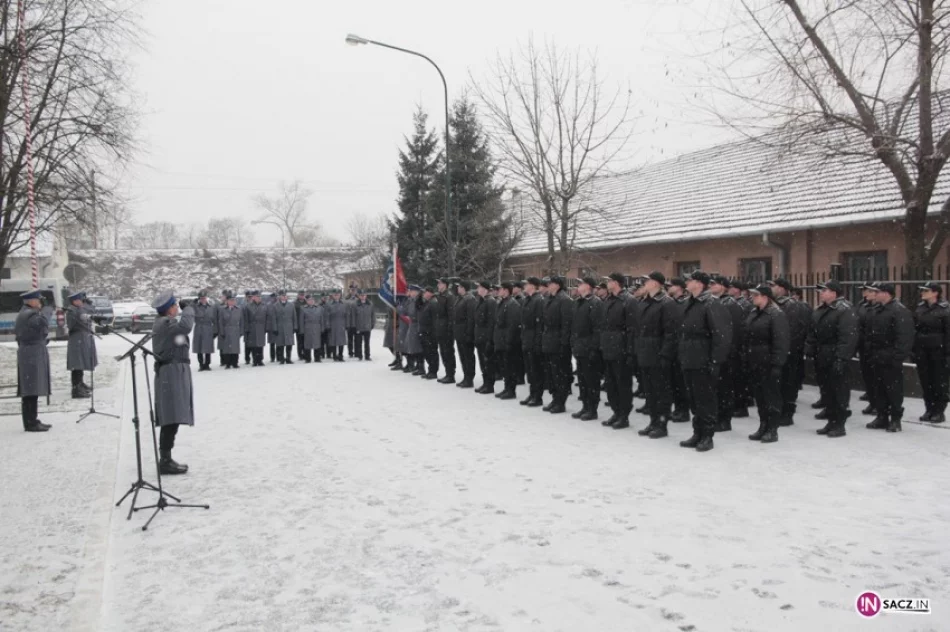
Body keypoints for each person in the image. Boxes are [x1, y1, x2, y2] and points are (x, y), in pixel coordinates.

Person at [677, 270, 732, 452]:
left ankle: (707, 435)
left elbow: (721, 336)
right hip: (689, 358)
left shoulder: (711, 304)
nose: (686, 283)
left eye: (690, 280)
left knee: (705, 399)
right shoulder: (689, 302)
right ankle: (697, 432)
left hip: (703, 359)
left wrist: (715, 361)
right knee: (694, 399)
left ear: (699, 284)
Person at [805, 280, 858, 437]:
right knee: (827, 391)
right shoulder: (821, 309)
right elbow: (813, 331)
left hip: (835, 355)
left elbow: (847, 337)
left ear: (834, 293)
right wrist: (810, 347)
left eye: (824, 290)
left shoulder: (844, 310)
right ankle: (831, 421)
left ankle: (839, 424)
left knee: (839, 391)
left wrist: (841, 358)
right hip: (822, 355)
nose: (821, 293)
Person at [151, 291, 193, 475]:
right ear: (168, 310)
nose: (177, 308)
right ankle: (165, 460)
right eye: (175, 306)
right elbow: (186, 327)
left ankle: (166, 458)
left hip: (174, 371)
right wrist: (189, 309)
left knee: (173, 417)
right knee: (170, 417)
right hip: (171, 373)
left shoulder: (167, 323)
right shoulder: (166, 323)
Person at [864, 282, 915, 432]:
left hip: (890, 357)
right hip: (877, 356)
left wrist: (896, 357)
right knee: (879, 388)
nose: (874, 294)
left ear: (886, 294)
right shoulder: (877, 310)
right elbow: (870, 333)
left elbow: (904, 337)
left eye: (877, 292)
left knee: (893, 390)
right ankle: (882, 416)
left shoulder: (899, 311)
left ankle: (895, 419)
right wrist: (870, 350)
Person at [743, 284, 790, 443]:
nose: (752, 297)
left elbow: (781, 341)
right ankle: (763, 425)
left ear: (765, 297)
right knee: (760, 397)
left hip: (768, 362)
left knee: (771, 396)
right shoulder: (754, 313)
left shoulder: (776, 314)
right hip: (755, 361)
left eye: (756, 295)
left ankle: (772, 429)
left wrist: (777, 364)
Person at [634, 271, 678, 438]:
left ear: (656, 283)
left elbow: (670, 332)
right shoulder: (644, 302)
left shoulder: (666, 303)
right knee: (650, 391)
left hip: (658, 353)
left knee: (661, 392)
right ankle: (653, 421)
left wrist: (665, 354)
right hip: (645, 353)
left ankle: (661, 424)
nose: (644, 284)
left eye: (647, 281)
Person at [769, 278, 812, 426]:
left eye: (773, 286)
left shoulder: (791, 306)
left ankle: (787, 413)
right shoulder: (774, 304)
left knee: (788, 383)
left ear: (782, 288)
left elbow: (792, 330)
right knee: (778, 383)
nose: (771, 288)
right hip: (778, 350)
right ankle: (779, 410)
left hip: (789, 351)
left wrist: (787, 349)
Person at [708, 275, 744, 432]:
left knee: (725, 388)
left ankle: (724, 419)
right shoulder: (714, 302)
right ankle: (717, 416)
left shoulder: (731, 305)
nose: (711, 286)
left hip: (728, 353)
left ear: (723, 286)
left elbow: (734, 332)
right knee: (716, 387)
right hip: (717, 351)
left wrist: (728, 351)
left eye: (714, 284)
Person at [15, 289, 52, 432]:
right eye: (38, 300)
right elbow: (43, 323)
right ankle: (30, 422)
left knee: (32, 388)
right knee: (30, 390)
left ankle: (33, 419)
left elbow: (36, 332)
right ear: (31, 301)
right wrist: (47, 310)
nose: (40, 302)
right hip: (30, 355)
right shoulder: (29, 314)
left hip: (31, 353)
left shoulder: (28, 313)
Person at [913, 281, 950, 423]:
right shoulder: (920, 308)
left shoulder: (944, 310)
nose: (922, 293)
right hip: (923, 350)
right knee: (926, 381)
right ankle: (929, 408)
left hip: (938, 351)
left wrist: (947, 353)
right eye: (922, 290)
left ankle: (939, 411)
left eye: (926, 290)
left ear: (935, 293)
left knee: (939, 382)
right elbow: (915, 328)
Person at [570, 278, 605, 420]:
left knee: (591, 381)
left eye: (581, 284)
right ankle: (585, 406)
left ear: (588, 286)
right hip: (580, 346)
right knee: (582, 380)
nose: (578, 286)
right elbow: (574, 326)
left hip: (589, 347)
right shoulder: (578, 302)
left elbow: (597, 329)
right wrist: (573, 343)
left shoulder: (595, 303)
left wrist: (594, 348)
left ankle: (592, 409)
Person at [600, 273, 630, 428]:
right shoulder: (608, 300)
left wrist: (629, 350)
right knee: (610, 384)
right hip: (608, 347)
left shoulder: (627, 300)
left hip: (621, 348)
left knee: (622, 383)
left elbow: (632, 328)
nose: (607, 283)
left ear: (617, 283)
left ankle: (623, 415)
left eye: (609, 280)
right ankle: (616, 412)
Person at [542, 276, 574, 414]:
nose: (548, 285)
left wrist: (563, 343)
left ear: (557, 285)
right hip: (549, 340)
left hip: (558, 342)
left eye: (550, 283)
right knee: (551, 374)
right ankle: (555, 399)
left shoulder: (564, 300)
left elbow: (566, 324)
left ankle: (561, 402)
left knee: (560, 374)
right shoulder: (549, 299)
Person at [665, 277, 691, 422]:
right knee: (673, 381)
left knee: (681, 383)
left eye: (672, 285)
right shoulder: (671, 303)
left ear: (679, 288)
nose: (669, 287)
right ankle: (677, 408)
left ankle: (684, 410)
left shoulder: (685, 303)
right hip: (672, 347)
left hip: (681, 347)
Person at [493, 282, 523, 400]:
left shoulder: (512, 304)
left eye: (500, 289)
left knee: (510, 367)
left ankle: (511, 390)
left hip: (508, 341)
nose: (498, 291)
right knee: (505, 367)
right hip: (501, 339)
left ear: (506, 290)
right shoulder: (503, 302)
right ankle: (507, 388)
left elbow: (513, 325)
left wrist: (509, 341)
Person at [65, 290, 97, 398]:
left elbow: (90, 313)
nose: (81, 302)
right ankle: (76, 388)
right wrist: (78, 313)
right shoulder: (71, 310)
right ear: (74, 301)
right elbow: (71, 324)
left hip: (82, 339)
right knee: (77, 365)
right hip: (76, 339)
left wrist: (88, 306)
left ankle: (80, 383)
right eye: (79, 300)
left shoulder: (78, 309)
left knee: (80, 363)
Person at [520, 277, 546, 407]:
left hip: (534, 340)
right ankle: (532, 393)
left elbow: (539, 324)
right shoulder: (527, 300)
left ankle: (537, 396)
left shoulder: (538, 300)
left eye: (527, 284)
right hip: (527, 338)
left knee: (536, 370)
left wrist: (537, 342)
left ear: (533, 286)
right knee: (530, 370)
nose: (524, 286)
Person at [453, 281, 478, 387]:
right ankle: (466, 376)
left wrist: (469, 333)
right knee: (463, 356)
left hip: (465, 332)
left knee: (468, 356)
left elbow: (471, 318)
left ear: (464, 288)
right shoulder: (460, 298)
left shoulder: (470, 299)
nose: (457, 288)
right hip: (459, 332)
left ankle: (469, 378)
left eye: (459, 287)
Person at [474, 281, 497, 393]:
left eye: (479, 287)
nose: (477, 289)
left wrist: (489, 339)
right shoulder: (482, 300)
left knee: (488, 362)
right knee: (483, 362)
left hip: (486, 337)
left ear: (485, 289)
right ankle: (485, 383)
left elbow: (491, 322)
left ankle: (489, 385)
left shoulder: (490, 301)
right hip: (480, 336)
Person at [434, 277, 458, 384]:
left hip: (446, 330)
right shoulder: (439, 296)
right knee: (443, 352)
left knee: (448, 352)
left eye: (440, 283)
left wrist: (449, 330)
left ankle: (450, 374)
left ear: (445, 285)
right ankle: (447, 373)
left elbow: (451, 315)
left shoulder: (449, 297)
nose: (438, 285)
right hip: (440, 328)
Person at [216, 291, 243, 369]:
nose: (232, 302)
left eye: (233, 300)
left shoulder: (238, 309)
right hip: (226, 330)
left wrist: (241, 331)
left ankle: (235, 362)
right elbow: (220, 322)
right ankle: (227, 363)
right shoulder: (223, 310)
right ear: (227, 301)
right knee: (227, 347)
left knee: (235, 347)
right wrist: (222, 331)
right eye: (230, 300)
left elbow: (242, 321)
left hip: (235, 330)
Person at [192, 290, 216, 371]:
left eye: (204, 298)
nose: (203, 300)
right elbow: (190, 310)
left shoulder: (211, 307)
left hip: (208, 328)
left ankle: (207, 364)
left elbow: (214, 319)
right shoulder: (195, 306)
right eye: (201, 298)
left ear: (206, 298)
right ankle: (201, 364)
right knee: (199, 348)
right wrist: (193, 303)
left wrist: (215, 330)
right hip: (199, 328)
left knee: (208, 347)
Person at [419, 287, 439, 379]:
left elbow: (435, 319)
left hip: (430, 332)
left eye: (425, 292)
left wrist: (433, 331)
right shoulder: (427, 302)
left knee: (432, 352)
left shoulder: (433, 303)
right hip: (425, 331)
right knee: (427, 352)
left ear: (430, 293)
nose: (423, 294)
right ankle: (430, 370)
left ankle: (433, 371)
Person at [403, 285, 424, 373]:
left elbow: (419, 314)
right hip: (412, 325)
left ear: (416, 292)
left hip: (417, 324)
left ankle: (420, 367)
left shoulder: (419, 301)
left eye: (411, 291)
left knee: (418, 347)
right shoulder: (410, 300)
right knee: (411, 346)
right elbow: (406, 311)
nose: (410, 292)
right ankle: (416, 365)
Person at [244, 290, 268, 367]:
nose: (259, 298)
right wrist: (247, 329)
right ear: (253, 297)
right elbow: (246, 319)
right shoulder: (248, 306)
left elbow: (267, 318)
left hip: (261, 327)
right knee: (254, 345)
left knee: (260, 345)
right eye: (257, 296)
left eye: (260, 296)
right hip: (252, 327)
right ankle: (255, 360)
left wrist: (266, 327)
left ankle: (260, 360)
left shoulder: (264, 306)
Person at [272, 290, 297, 364]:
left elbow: (294, 317)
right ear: (280, 297)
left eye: (285, 296)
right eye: (282, 296)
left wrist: (295, 327)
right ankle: (281, 359)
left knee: (289, 344)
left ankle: (288, 358)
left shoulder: (291, 305)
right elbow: (274, 318)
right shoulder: (275, 305)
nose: (284, 297)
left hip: (289, 327)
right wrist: (275, 328)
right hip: (280, 327)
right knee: (281, 344)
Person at [300, 294, 326, 363]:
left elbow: (322, 319)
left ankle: (317, 358)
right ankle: (307, 358)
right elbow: (301, 321)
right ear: (306, 301)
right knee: (307, 343)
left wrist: (322, 328)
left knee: (317, 343)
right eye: (309, 300)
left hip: (317, 327)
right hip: (307, 328)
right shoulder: (303, 308)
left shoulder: (319, 308)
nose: (311, 301)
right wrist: (302, 330)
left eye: (312, 300)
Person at [326, 289, 348, 361]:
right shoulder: (329, 304)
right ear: (332, 295)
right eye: (335, 295)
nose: (336, 296)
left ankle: (340, 355)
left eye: (338, 295)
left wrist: (347, 325)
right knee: (333, 341)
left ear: (340, 295)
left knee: (341, 341)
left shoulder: (344, 304)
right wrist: (328, 325)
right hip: (333, 325)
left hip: (341, 324)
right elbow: (327, 316)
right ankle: (334, 356)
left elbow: (346, 315)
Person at [354, 290, 375, 361]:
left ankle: (367, 356)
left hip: (367, 326)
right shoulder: (355, 304)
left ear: (366, 296)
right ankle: (360, 356)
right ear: (359, 296)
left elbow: (373, 315)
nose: (363, 296)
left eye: (364, 295)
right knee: (359, 342)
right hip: (359, 326)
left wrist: (372, 324)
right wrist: (354, 325)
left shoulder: (370, 304)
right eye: (361, 295)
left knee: (367, 342)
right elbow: (354, 316)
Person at [345, 284, 359, 358]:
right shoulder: (345, 299)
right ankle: (350, 352)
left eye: (354, 290)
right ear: (349, 290)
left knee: (357, 339)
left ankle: (357, 352)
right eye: (352, 290)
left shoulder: (359, 298)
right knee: (350, 339)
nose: (353, 291)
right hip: (349, 323)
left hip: (357, 323)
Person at [294, 290, 308, 360]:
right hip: (299, 325)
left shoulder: (307, 302)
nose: (302, 296)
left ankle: (305, 353)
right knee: (299, 341)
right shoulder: (295, 304)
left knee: (306, 340)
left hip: (306, 324)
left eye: (303, 295)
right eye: (300, 295)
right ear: (298, 295)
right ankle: (300, 354)